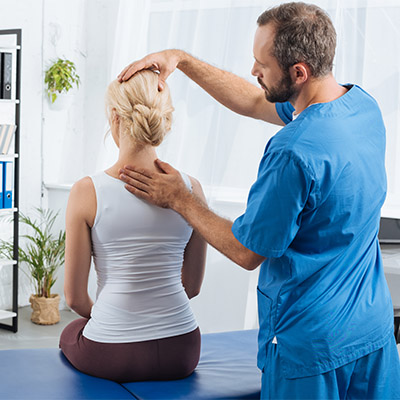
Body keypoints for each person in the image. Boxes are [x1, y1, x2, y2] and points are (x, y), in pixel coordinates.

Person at [117, 2, 400, 399]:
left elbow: (247, 251)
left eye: (262, 65)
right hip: (372, 334)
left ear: (298, 72)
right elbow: (252, 101)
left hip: (310, 349)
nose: (254, 70)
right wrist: (181, 59)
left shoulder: (293, 151)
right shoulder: (362, 107)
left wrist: (180, 198)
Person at [59, 70, 207, 383]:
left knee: (71, 331)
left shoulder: (87, 191)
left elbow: (75, 299)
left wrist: (114, 319)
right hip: (183, 350)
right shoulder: (192, 189)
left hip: (113, 353)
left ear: (115, 117)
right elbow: (192, 287)